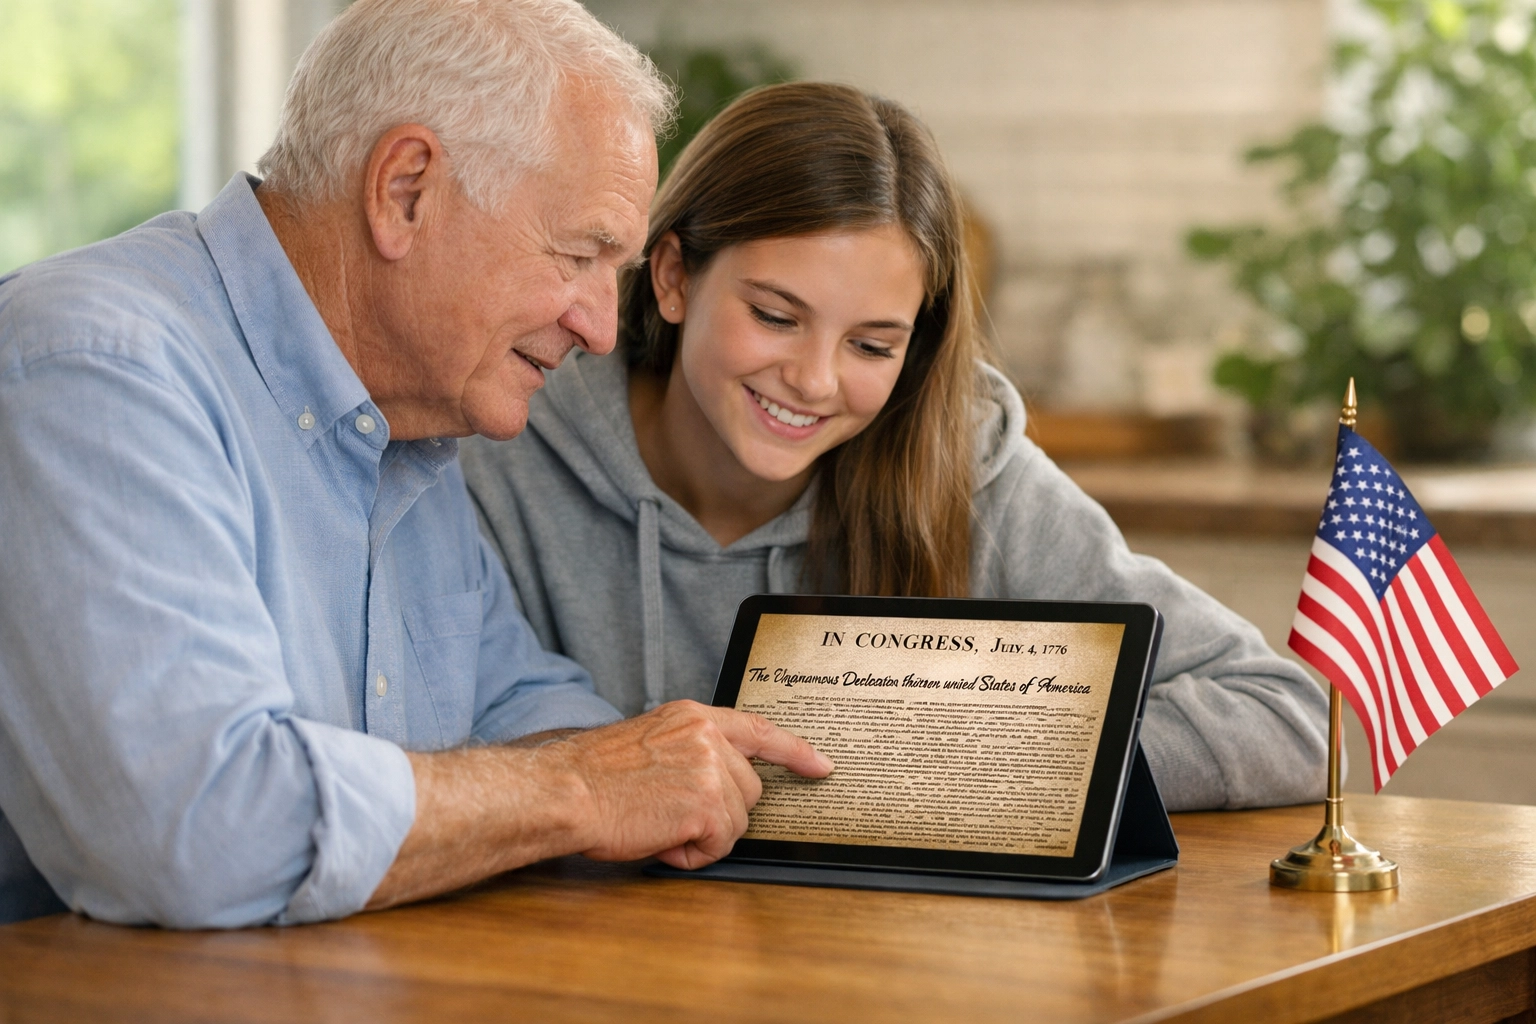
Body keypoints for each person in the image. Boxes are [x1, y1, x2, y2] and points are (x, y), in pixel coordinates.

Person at [0, 0, 829, 929]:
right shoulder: (94, 366)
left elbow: (516, 704)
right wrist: (584, 788)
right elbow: (197, 833)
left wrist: (677, 780)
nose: (602, 327)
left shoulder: (413, 422)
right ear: (405, 191)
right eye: (580, 254)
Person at [461, 82, 1330, 813]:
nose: (813, 379)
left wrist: (944, 761)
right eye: (775, 315)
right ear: (675, 276)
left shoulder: (960, 466)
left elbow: (1286, 716)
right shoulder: (505, 439)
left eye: (872, 345)